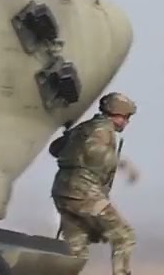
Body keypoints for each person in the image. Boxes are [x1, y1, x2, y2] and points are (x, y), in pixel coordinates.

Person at [48, 91, 138, 275]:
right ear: (117, 115)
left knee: (76, 249)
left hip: (63, 190)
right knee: (124, 236)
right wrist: (120, 163)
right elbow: (94, 153)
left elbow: (55, 148)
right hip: (84, 191)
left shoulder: (84, 128)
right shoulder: (102, 131)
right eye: (126, 117)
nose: (127, 122)